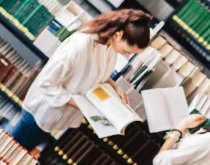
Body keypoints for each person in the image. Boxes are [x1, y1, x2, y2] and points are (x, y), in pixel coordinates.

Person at [11, 9, 152, 152]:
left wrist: (115, 87)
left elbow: (92, 71)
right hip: (41, 113)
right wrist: (84, 105)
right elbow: (47, 83)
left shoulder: (110, 46)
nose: (126, 56)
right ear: (118, 35)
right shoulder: (80, 45)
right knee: (9, 156)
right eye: (127, 51)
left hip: (56, 117)